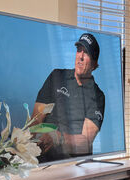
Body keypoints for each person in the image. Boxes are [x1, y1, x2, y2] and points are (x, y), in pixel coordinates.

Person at [34, 32, 106, 162]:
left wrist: (57, 138)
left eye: (86, 53)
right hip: (41, 156)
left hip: (72, 164)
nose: (81, 57)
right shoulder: (56, 76)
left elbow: (85, 142)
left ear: (94, 64)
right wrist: (29, 143)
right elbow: (35, 120)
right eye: (79, 50)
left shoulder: (97, 96)